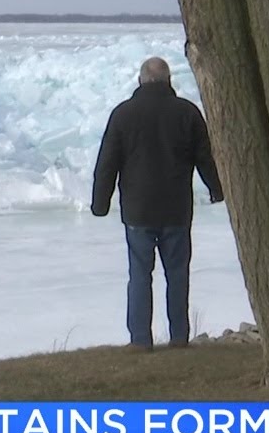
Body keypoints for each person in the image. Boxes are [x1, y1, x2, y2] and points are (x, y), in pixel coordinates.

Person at [91, 56, 223, 352]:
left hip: (138, 210)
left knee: (139, 275)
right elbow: (205, 158)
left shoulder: (123, 114)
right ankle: (178, 337)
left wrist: (100, 203)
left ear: (140, 80)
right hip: (177, 209)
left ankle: (140, 340)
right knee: (177, 274)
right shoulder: (187, 113)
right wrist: (217, 190)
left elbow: (107, 163)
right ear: (168, 81)